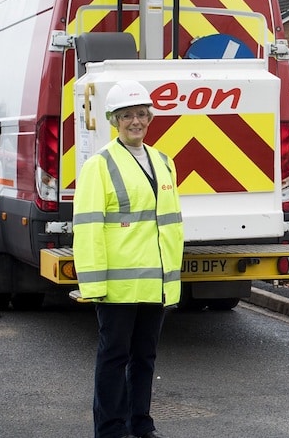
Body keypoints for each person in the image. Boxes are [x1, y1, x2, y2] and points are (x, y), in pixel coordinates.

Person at [73, 79, 184, 438]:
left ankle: (141, 424)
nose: (135, 122)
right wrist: (93, 283)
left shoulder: (164, 162)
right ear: (114, 120)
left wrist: (172, 279)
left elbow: (168, 225)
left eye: (141, 114)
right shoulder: (98, 165)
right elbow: (88, 227)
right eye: (127, 116)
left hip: (155, 283)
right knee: (113, 358)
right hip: (117, 286)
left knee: (145, 359)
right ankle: (110, 429)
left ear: (150, 118)